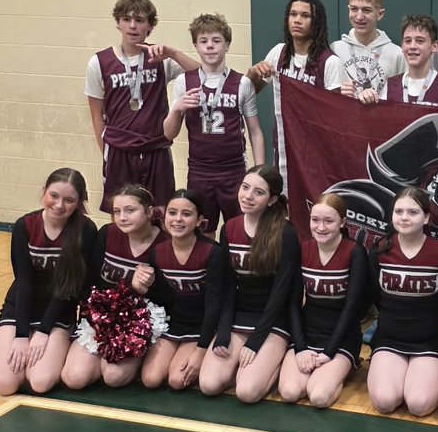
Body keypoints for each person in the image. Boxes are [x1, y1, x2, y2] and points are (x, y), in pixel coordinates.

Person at [85, 0, 200, 213]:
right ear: (118, 22)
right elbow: (96, 115)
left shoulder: (160, 58)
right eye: (127, 19)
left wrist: (174, 53)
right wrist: (106, 152)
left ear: (150, 26)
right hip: (119, 150)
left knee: (160, 211)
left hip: (155, 148)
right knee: (121, 212)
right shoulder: (99, 62)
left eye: (139, 20)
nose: (132, 25)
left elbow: (204, 75)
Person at [198, 165, 302, 403]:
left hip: (273, 319)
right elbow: (227, 285)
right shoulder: (229, 228)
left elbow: (282, 292)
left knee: (247, 392)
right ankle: (246, 364)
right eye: (245, 187)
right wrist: (223, 330)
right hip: (239, 316)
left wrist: (256, 341)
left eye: (258, 192)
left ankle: (275, 360)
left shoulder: (285, 233)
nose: (248, 196)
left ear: (272, 199)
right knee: (209, 385)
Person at [0, 168, 97, 396]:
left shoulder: (86, 230)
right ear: (44, 192)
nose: (59, 205)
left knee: (40, 381)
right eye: (54, 196)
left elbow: (70, 287)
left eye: (69, 200)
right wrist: (21, 335)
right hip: (21, 305)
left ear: (79, 203)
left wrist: (43, 331)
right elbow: (23, 281)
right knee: (4, 384)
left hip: (59, 311)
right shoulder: (25, 225)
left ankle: (61, 344)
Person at [163, 14, 264, 234]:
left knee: (239, 230)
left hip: (234, 170)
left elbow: (255, 131)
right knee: (202, 232)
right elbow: (168, 134)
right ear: (195, 46)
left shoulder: (242, 83)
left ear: (227, 45)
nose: (210, 46)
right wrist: (178, 108)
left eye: (216, 40)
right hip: (199, 171)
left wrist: (260, 171)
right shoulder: (184, 81)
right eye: (203, 41)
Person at [61, 184, 166, 390]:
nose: (122, 218)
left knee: (113, 377)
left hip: (137, 322)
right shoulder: (107, 233)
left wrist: (146, 288)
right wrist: (94, 317)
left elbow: (167, 299)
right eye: (117, 212)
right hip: (102, 317)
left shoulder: (164, 243)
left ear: (149, 211)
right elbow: (90, 281)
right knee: (74, 378)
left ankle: (141, 358)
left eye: (130, 210)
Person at [367, 187, 438, 416]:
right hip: (389, 338)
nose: (404, 217)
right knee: (384, 402)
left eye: (412, 212)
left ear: (426, 217)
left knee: (419, 405)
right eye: (399, 211)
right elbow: (376, 296)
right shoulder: (379, 251)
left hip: (429, 341)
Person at [247, 0, 344, 196]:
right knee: (285, 201)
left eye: (305, 16)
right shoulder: (278, 53)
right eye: (293, 14)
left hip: (316, 151)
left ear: (316, 22)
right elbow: (249, 92)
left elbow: (335, 118)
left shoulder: (330, 62)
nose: (297, 20)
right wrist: (253, 73)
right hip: (284, 146)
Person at [133, 189, 228, 390]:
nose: (178, 219)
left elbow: (214, 305)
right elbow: (162, 299)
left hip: (201, 327)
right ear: (164, 216)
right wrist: (144, 288)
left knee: (177, 381)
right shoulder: (158, 252)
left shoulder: (213, 252)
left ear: (199, 220)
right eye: (172, 212)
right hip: (173, 326)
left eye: (186, 214)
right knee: (150, 379)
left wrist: (201, 350)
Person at [278, 194, 366, 408]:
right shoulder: (303, 248)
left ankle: (346, 367)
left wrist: (329, 352)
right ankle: (321, 370)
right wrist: (300, 348)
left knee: (319, 397)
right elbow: (293, 303)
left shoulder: (355, 252)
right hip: (308, 333)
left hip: (342, 337)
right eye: (315, 220)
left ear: (342, 222)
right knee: (290, 392)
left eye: (329, 221)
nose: (321, 227)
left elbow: (352, 308)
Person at [360, 14, 438, 108]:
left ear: (434, 46)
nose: (412, 46)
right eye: (408, 41)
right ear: (402, 46)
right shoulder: (390, 85)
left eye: (420, 41)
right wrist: (367, 100)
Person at [333, 0, 406, 98]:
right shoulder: (335, 49)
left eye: (366, 10)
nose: (359, 16)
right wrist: (337, 91)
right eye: (354, 9)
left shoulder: (397, 55)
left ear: (380, 14)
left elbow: (403, 96)